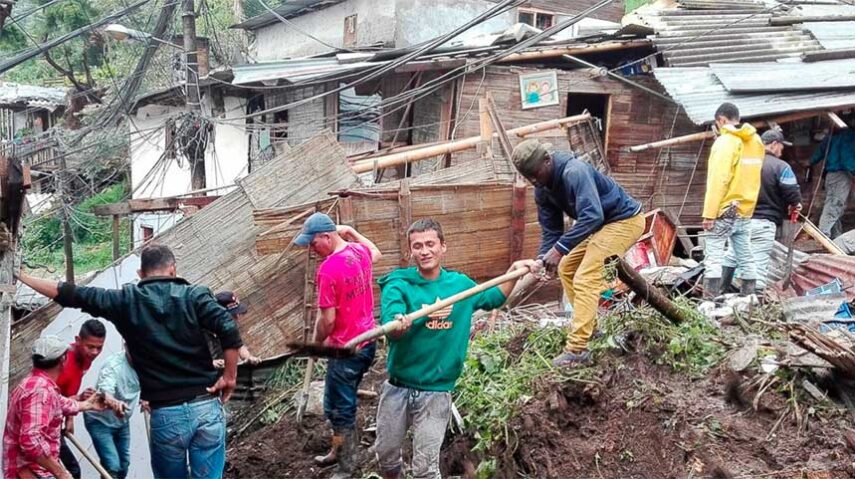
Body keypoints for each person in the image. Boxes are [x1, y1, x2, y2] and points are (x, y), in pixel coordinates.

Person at [16, 244, 243, 479]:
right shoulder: (195, 295)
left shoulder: (125, 300)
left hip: (167, 414)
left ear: (141, 274)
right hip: (205, 407)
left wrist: (21, 276)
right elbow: (227, 327)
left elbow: (70, 294)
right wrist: (230, 376)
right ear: (173, 270)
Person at [373, 219, 535, 479]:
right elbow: (391, 322)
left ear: (443, 247)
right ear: (410, 251)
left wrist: (515, 271)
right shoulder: (398, 283)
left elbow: (493, 298)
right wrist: (398, 324)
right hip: (398, 387)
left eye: (430, 244)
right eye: (417, 246)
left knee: (425, 469)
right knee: (386, 456)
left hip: (436, 390)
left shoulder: (459, 286)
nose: (424, 251)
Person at [510, 139, 645, 367]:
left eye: (535, 173)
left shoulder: (574, 172)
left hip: (624, 221)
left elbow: (592, 216)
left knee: (586, 277)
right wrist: (544, 259)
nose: (534, 180)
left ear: (547, 160)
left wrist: (559, 250)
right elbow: (551, 230)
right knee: (566, 268)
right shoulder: (542, 189)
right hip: (599, 227)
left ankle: (577, 349)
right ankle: (590, 330)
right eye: (528, 177)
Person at [292, 212, 381, 478]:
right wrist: (352, 232)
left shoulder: (329, 269)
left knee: (340, 409)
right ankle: (337, 450)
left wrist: (316, 344)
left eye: (313, 243)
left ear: (327, 237)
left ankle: (347, 465)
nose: (310, 249)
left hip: (346, 348)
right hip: (367, 343)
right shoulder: (358, 252)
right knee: (335, 401)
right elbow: (376, 252)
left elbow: (327, 321)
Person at [3, 336, 114, 479]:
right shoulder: (40, 391)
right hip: (28, 472)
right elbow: (31, 441)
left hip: (33, 470)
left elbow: (61, 403)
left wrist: (88, 404)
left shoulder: (37, 384)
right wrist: (61, 473)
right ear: (63, 360)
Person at [722, 129, 802, 293]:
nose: (782, 151)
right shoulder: (781, 167)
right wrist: (796, 204)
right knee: (758, 265)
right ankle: (752, 303)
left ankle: (714, 294)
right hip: (764, 223)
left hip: (740, 219)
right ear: (774, 144)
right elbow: (791, 192)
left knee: (731, 256)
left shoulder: (744, 163)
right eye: (781, 147)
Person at [701, 102, 764, 298]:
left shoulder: (725, 143)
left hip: (725, 210)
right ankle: (750, 298)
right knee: (745, 254)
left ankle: (710, 301)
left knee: (713, 256)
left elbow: (718, 180)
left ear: (721, 120)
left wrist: (709, 214)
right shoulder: (757, 142)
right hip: (745, 209)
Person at [56, 319, 107, 479]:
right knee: (71, 471)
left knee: (72, 471)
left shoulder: (86, 360)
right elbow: (47, 399)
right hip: (43, 425)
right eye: (90, 346)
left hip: (58, 421)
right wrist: (79, 399)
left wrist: (69, 419)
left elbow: (69, 391)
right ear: (78, 340)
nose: (94, 352)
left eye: (99, 348)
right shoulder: (61, 362)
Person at [83, 348, 140, 479]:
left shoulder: (146, 362)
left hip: (122, 421)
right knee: (112, 465)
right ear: (126, 346)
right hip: (99, 420)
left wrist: (147, 398)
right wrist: (114, 403)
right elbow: (106, 390)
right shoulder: (113, 365)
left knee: (124, 465)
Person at [810, 118, 855, 239]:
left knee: (835, 205)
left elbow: (818, 153)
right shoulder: (849, 136)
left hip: (831, 175)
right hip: (841, 174)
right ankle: (823, 234)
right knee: (835, 204)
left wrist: (810, 162)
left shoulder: (831, 137)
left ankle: (835, 236)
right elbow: (847, 158)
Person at [208, 291, 261, 368]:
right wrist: (210, 363)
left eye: (238, 313)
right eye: (233, 314)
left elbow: (239, 347)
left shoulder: (229, 329)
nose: (237, 317)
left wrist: (249, 358)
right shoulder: (197, 331)